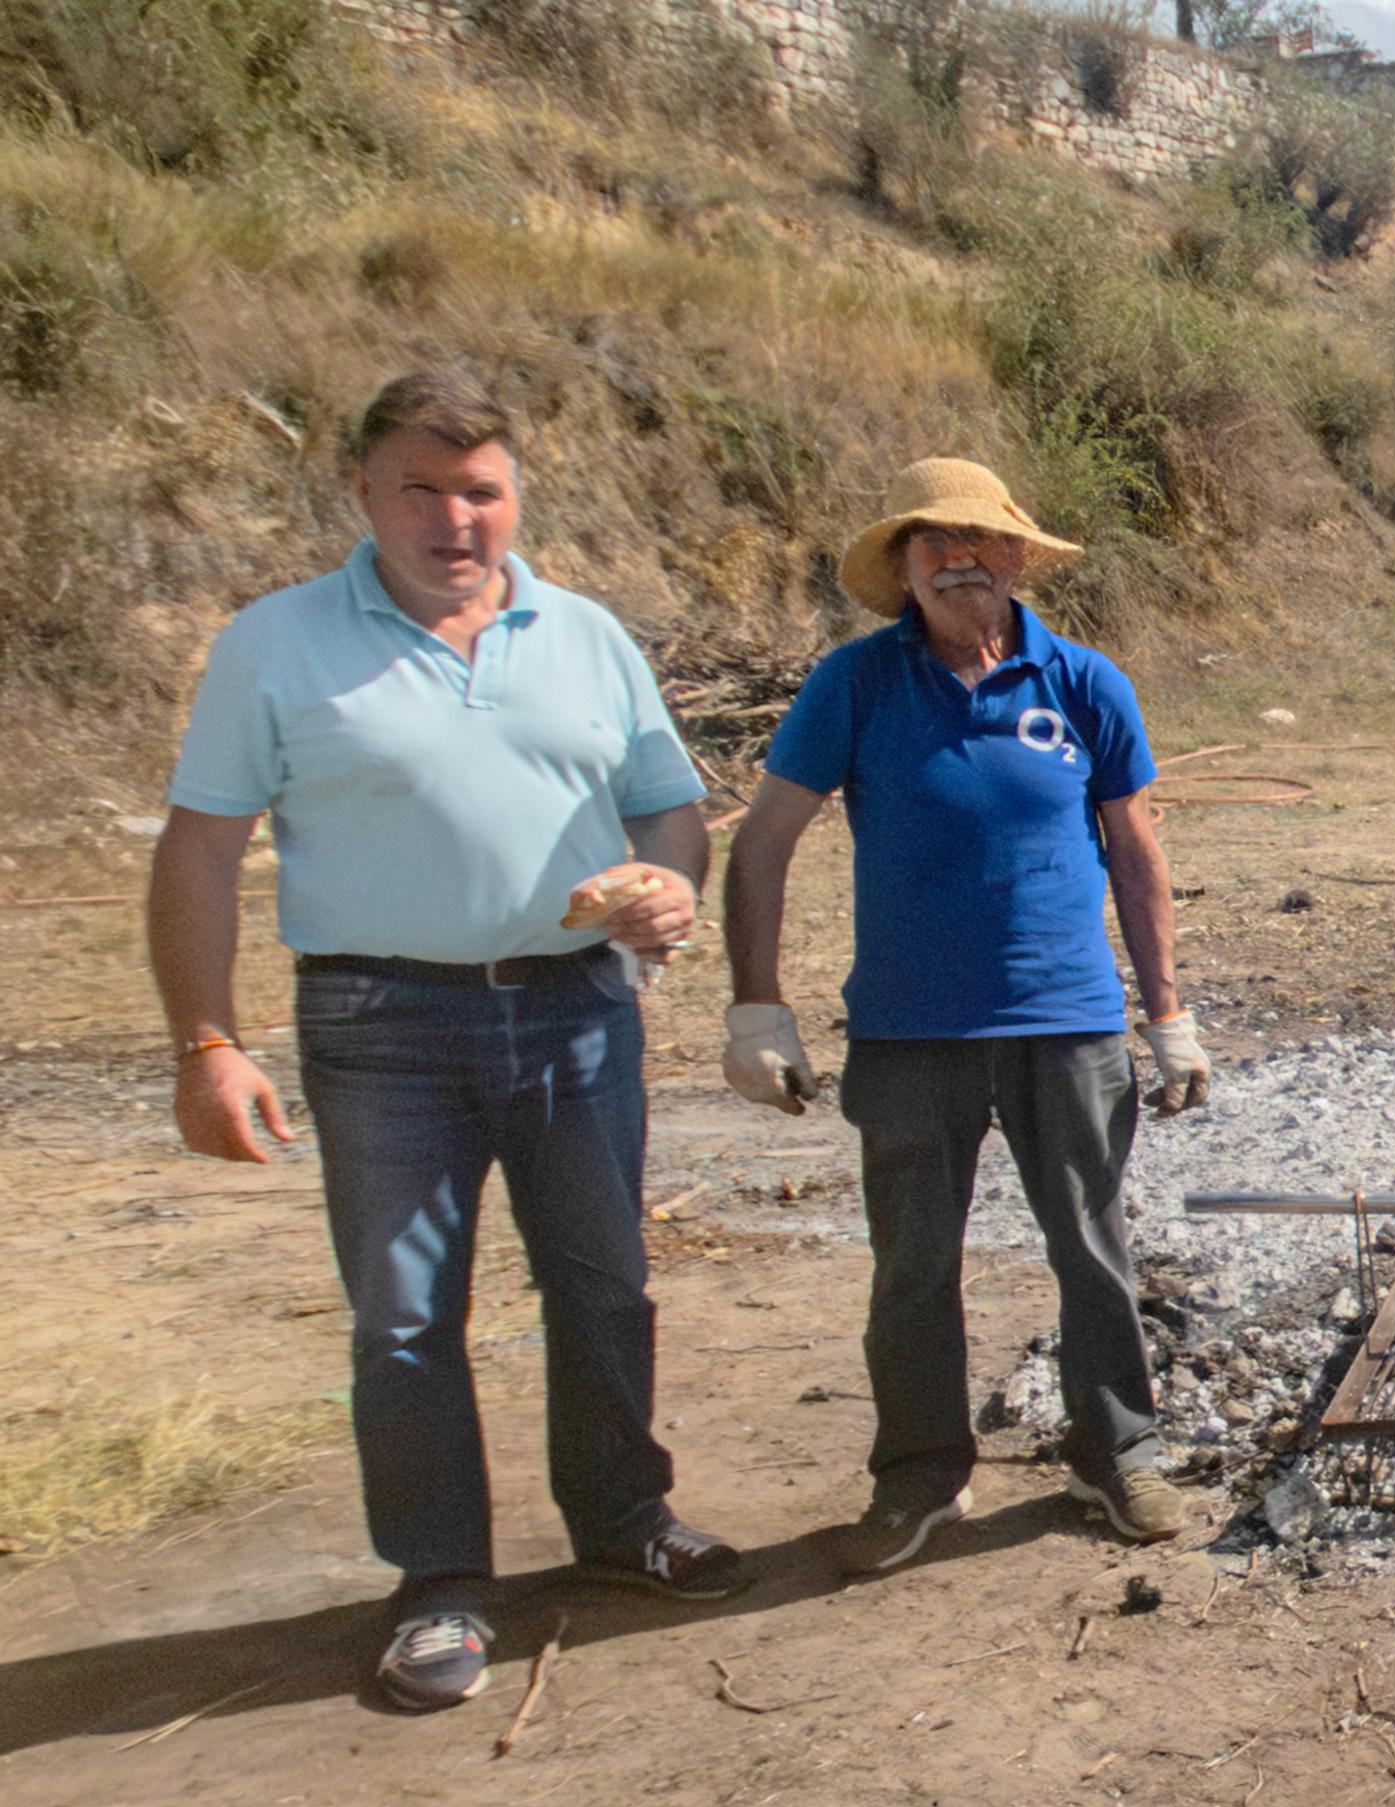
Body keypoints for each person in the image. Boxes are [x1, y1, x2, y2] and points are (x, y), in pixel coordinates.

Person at [148, 369, 749, 1713]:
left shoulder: (584, 633)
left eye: (478, 489)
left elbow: (665, 807)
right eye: (420, 488)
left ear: (514, 496)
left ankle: (623, 1521)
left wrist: (669, 886)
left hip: (575, 1006)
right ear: (362, 493)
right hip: (382, 1018)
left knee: (603, 1281)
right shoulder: (281, 643)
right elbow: (200, 846)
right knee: (408, 1314)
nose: (452, 517)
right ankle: (437, 1582)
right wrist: (206, 1041)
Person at [719, 458, 1211, 1575]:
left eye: (981, 542)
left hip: (1068, 1023)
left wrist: (1167, 1014)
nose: (958, 560)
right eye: (931, 543)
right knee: (911, 1266)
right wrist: (756, 1006)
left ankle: (1114, 1448)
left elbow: (1136, 853)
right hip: (908, 1031)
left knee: (1091, 1248)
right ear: (900, 566)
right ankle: (919, 1478)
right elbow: (760, 843)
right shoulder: (854, 686)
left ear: (1021, 559)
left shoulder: (1085, 684)